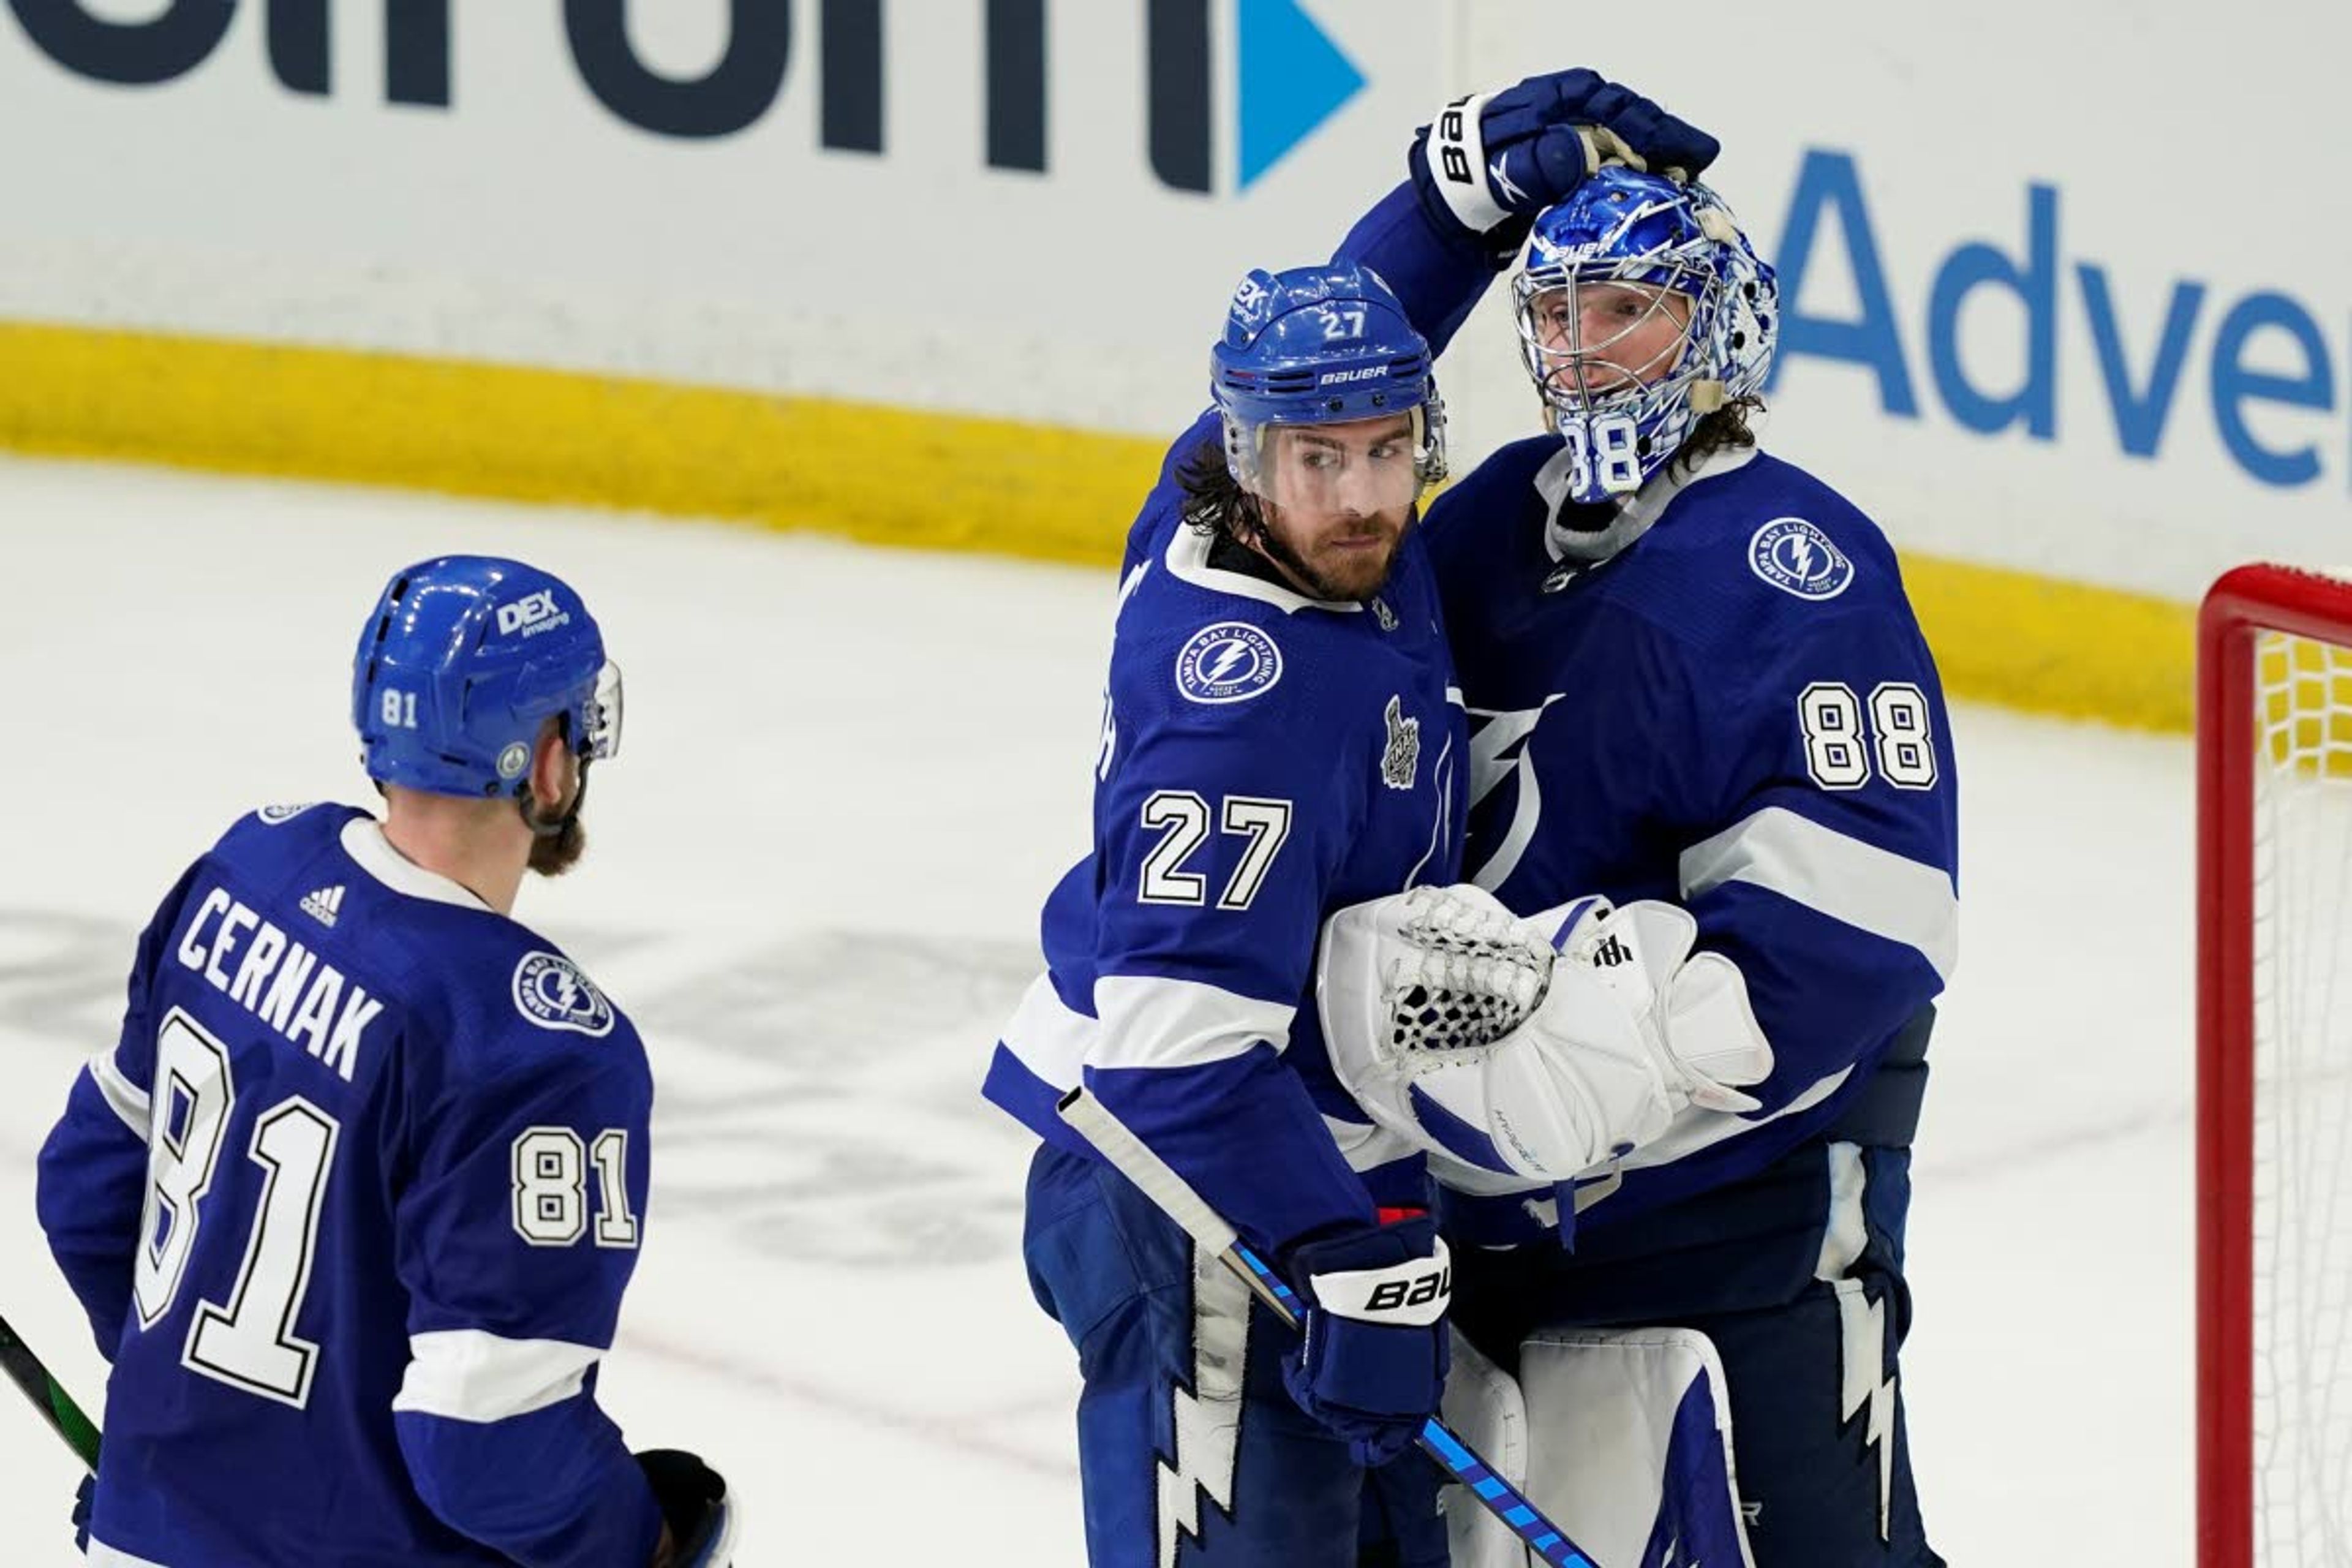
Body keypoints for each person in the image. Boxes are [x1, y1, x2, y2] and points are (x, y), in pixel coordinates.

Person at [980, 72, 1721, 1568]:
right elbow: (1177, 1058)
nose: (1364, 496)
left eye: (1390, 449)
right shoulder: (1237, 703)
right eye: (1320, 462)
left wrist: (1460, 204)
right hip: (1188, 1198)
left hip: (1312, 1157)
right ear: (1248, 462)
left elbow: (1351, 331)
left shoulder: (1252, 509)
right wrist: (1338, 1253)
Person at [1318, 166, 1958, 1567]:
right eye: (1556, 312)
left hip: (1735, 1211)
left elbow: (1872, 919)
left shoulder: (1800, 568)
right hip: (1478, 1207)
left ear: (1721, 329)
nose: (1586, 349)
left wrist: (1621, 1055)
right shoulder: (1485, 519)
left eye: (1630, 310)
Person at [36, 557, 736, 1567]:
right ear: (547, 763)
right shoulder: (534, 1047)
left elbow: (88, 1191)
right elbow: (484, 1440)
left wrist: (182, 1445)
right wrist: (644, 1544)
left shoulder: (247, 870)